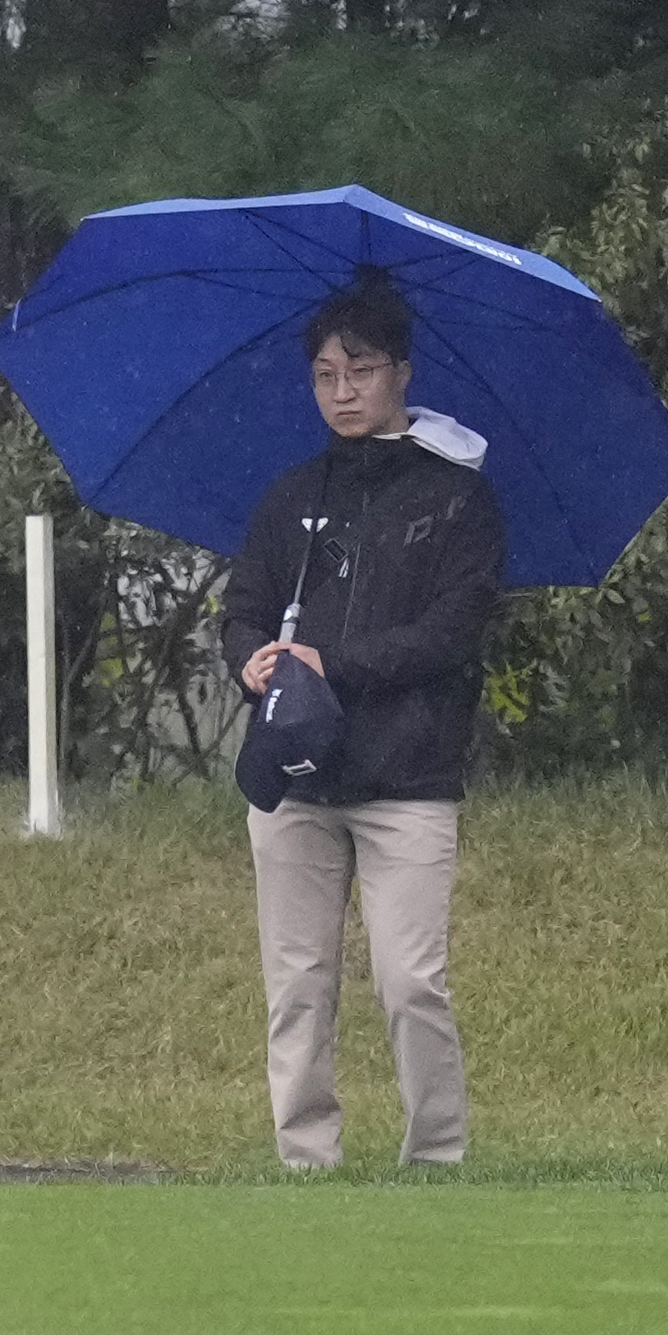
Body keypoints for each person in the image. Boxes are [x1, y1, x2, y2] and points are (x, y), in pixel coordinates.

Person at [219, 272, 505, 1170]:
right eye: (326, 376)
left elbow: (451, 636)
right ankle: (307, 1163)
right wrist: (253, 658)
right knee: (297, 982)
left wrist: (328, 663)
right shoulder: (290, 494)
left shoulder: (458, 499)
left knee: (410, 981)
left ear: (403, 375)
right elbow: (243, 609)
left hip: (410, 778)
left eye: (362, 371)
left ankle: (436, 1160)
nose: (343, 393)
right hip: (294, 776)